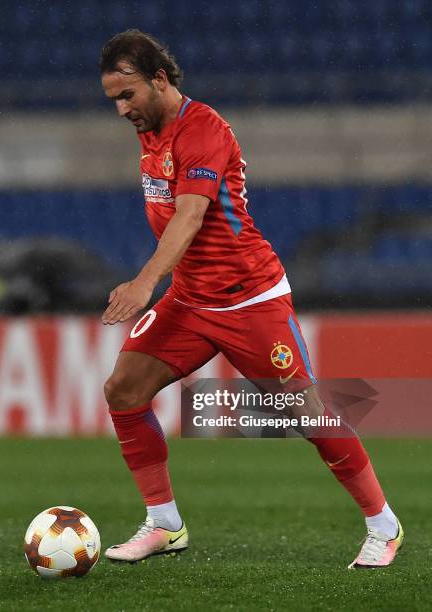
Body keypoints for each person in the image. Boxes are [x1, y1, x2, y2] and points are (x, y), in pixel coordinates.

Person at [99, 29, 403, 568]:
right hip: (191, 302)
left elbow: (190, 217)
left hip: (250, 301)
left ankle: (384, 524)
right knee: (123, 389)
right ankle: (165, 524)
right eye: (114, 100)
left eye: (128, 96)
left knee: (309, 416)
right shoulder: (151, 130)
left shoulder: (204, 129)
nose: (122, 109)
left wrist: (145, 282)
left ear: (160, 80)